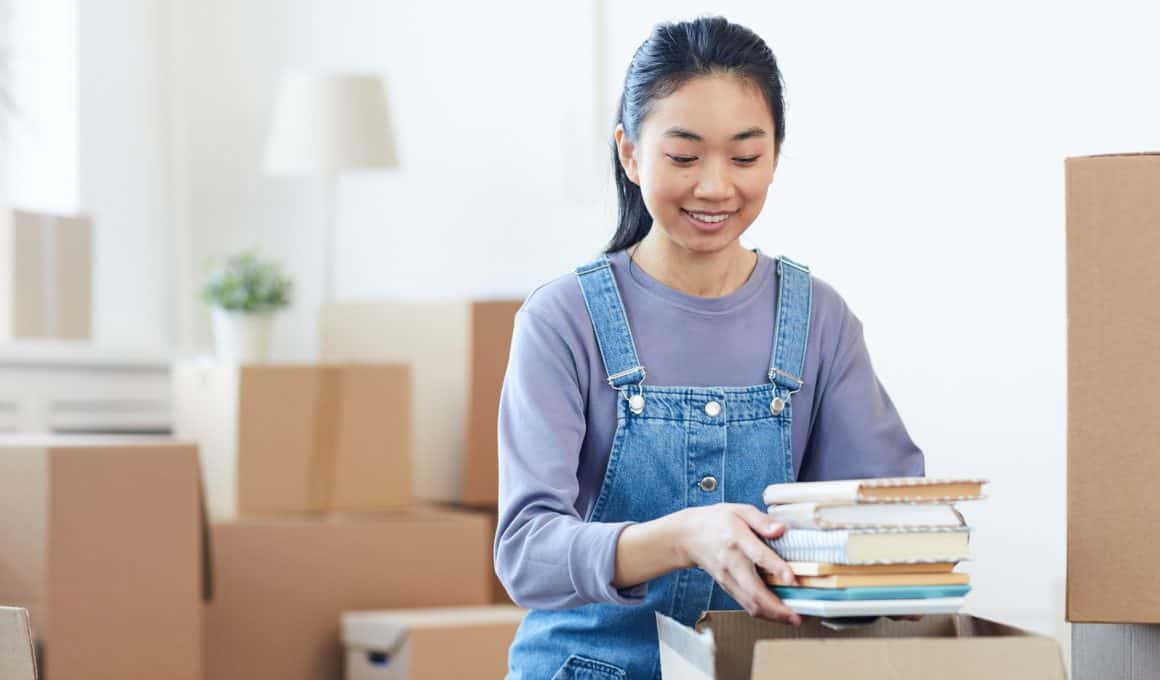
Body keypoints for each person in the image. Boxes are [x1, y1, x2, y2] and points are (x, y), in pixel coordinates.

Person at [494, 16, 924, 680]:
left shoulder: (819, 320)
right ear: (630, 153)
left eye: (745, 157)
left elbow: (882, 515)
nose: (717, 187)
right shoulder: (563, 318)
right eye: (685, 156)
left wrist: (888, 560)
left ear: (776, 155)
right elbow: (527, 552)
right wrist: (683, 538)